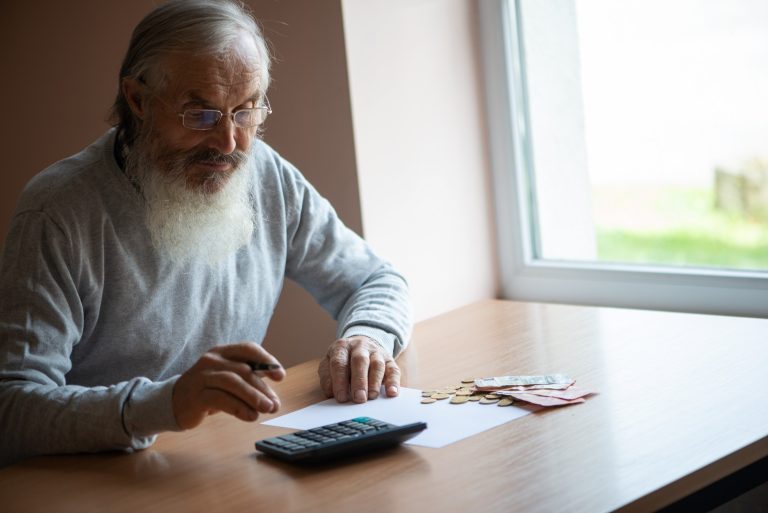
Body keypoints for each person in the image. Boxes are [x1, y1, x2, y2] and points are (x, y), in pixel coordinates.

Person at [0, 0, 411, 466]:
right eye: (201, 115)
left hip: (218, 466)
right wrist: (166, 405)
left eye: (246, 111)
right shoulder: (58, 210)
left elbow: (376, 280)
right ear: (137, 100)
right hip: (93, 481)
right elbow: (12, 408)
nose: (229, 144)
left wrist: (368, 338)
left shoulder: (266, 175)